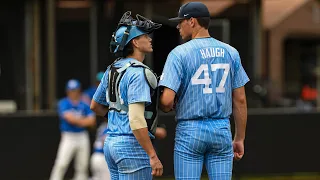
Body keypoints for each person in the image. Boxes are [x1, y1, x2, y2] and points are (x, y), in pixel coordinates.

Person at [159, 2, 249, 180]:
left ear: (192, 21)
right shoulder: (231, 52)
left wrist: (161, 102)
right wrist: (239, 138)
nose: (178, 26)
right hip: (221, 129)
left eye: (181, 21)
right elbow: (240, 100)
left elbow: (167, 101)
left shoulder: (179, 53)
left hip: (190, 129)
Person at [90, 11, 163, 179]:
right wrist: (152, 155)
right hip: (132, 145)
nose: (150, 39)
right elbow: (136, 120)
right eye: (145, 36)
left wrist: (117, 116)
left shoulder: (112, 69)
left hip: (110, 143)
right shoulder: (138, 72)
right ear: (135, 42)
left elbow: (95, 106)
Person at [49, 79, 96, 180]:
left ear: (79, 90)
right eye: (71, 90)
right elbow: (69, 119)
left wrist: (78, 121)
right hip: (68, 136)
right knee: (61, 164)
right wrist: (83, 121)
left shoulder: (84, 103)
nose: (73, 93)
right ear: (67, 91)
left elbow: (92, 121)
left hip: (82, 135)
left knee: (82, 166)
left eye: (75, 90)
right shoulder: (63, 103)